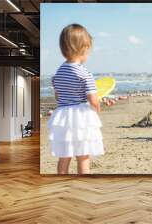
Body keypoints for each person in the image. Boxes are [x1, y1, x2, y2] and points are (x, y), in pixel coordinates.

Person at [47, 24, 104, 174]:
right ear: (83, 49)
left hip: (63, 117)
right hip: (81, 118)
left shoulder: (57, 73)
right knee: (83, 157)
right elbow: (93, 100)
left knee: (64, 157)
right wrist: (97, 111)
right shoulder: (85, 74)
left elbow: (58, 96)